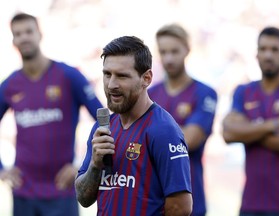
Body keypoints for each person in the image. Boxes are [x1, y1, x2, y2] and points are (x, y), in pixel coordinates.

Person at [75, 36, 193, 216]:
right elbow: (83, 198)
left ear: (146, 78)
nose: (111, 85)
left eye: (122, 76)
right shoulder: (103, 128)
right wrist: (95, 165)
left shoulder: (163, 130)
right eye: (107, 74)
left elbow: (181, 207)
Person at [0, 12, 103, 216]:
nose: (24, 37)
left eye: (28, 31)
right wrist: (2, 169)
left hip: (61, 191)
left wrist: (82, 164)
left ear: (39, 34)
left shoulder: (68, 75)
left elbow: (103, 119)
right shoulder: (10, 85)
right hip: (24, 192)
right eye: (18, 33)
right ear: (13, 40)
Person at [148, 24, 217, 216]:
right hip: (152, 201)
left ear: (187, 49)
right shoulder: (149, 94)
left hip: (190, 199)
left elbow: (190, 140)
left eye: (174, 51)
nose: (168, 58)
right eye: (163, 52)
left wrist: (151, 134)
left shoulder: (205, 93)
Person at [222, 26, 279, 216]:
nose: (268, 55)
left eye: (274, 49)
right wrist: (274, 125)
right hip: (251, 203)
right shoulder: (243, 91)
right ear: (256, 54)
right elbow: (228, 133)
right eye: (263, 49)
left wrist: (248, 131)